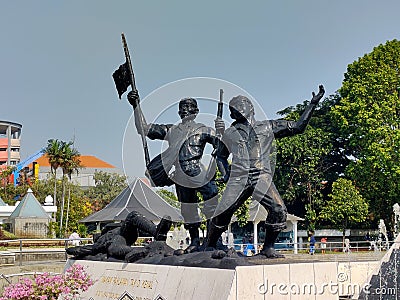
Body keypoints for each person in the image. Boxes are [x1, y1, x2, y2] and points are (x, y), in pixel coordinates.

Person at [203, 85, 325, 258]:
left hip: (261, 176)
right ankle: (209, 244)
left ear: (250, 107)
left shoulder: (268, 127)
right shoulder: (230, 133)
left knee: (278, 210)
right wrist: (226, 174)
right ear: (232, 114)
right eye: (233, 108)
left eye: (241, 104)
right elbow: (220, 156)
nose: (237, 109)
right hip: (238, 178)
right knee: (223, 212)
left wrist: (312, 104)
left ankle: (268, 248)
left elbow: (298, 126)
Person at [127, 91, 221, 249]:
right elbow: (144, 129)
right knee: (188, 209)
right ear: (178, 112)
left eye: (189, 107)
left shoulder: (204, 129)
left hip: (197, 171)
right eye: (182, 107)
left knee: (212, 199)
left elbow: (222, 146)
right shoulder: (171, 130)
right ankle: (195, 240)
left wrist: (221, 131)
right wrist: (136, 105)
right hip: (180, 175)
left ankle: (213, 239)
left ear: (196, 111)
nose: (185, 110)